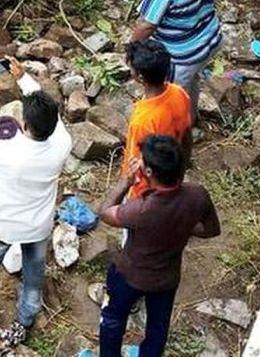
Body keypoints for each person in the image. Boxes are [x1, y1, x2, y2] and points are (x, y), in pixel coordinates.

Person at [0, 58, 71, 344]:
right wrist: (24, 79)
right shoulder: (62, 144)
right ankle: (26, 318)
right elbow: (52, 117)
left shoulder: (5, 152)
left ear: (24, 123)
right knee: (34, 272)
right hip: (38, 226)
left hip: (2, 224)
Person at [88, 136, 220, 357]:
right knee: (157, 330)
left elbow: (105, 212)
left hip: (129, 275)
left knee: (112, 319)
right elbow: (211, 230)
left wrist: (127, 181)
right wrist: (181, 226)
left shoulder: (140, 210)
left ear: (148, 172)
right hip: (166, 279)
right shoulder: (198, 195)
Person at [123, 38, 192, 198]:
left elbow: (136, 166)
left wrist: (132, 192)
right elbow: (187, 135)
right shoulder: (178, 92)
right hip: (172, 174)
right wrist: (180, 172)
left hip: (145, 191)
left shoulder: (143, 120)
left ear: (139, 77)